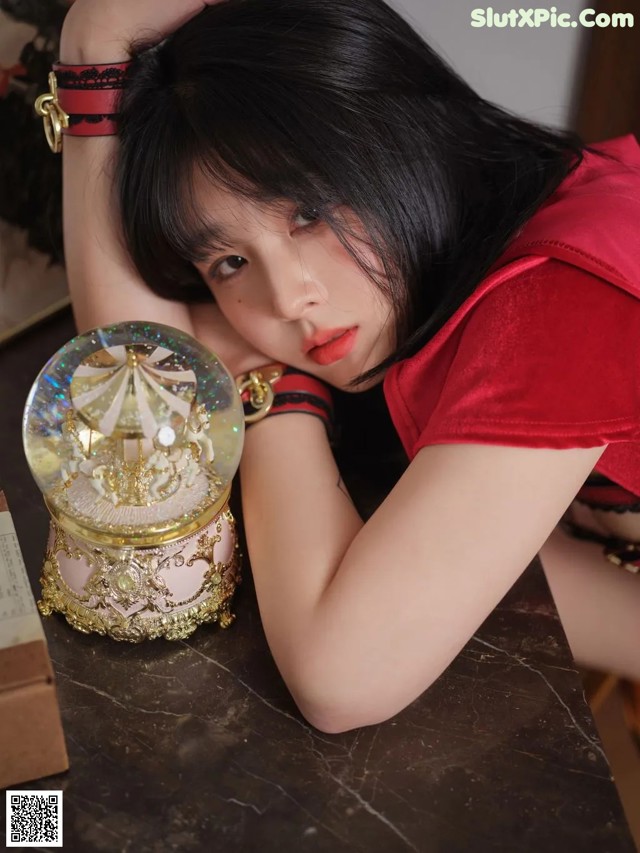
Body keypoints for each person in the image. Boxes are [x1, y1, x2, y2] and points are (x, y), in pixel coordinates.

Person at [54, 0, 640, 735]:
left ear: (396, 134)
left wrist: (266, 385)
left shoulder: (559, 294)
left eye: (310, 211)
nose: (289, 297)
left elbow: (341, 677)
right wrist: (92, 53)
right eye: (230, 262)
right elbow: (140, 396)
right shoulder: (455, 273)